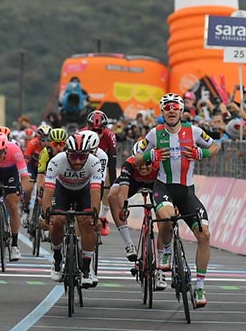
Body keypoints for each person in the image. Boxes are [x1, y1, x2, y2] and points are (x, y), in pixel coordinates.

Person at [140, 92, 221, 308]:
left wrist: (202, 154)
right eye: (167, 107)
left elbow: (215, 146)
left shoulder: (193, 131)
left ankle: (200, 286)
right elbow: (136, 156)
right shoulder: (155, 134)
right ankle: (166, 251)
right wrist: (151, 156)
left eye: (175, 107)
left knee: (204, 235)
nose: (171, 110)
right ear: (162, 111)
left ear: (181, 110)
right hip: (163, 187)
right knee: (167, 219)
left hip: (187, 192)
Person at [41, 131, 104, 287]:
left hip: (84, 191)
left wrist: (95, 216)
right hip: (62, 190)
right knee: (57, 220)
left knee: (88, 222)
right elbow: (48, 191)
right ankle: (57, 257)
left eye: (82, 157)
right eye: (74, 156)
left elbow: (96, 192)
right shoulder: (56, 161)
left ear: (88, 155)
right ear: (67, 153)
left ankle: (87, 268)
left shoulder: (94, 163)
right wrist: (45, 216)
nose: (77, 161)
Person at [106, 137, 160, 262]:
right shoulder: (128, 165)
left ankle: (162, 253)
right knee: (112, 196)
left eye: (147, 163)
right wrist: (123, 208)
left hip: (155, 184)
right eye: (139, 164)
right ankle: (129, 244)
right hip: (133, 183)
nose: (143, 167)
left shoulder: (160, 164)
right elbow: (122, 193)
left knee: (163, 213)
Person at [0, 132, 24, 261]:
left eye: (0, 152)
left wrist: (22, 189)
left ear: (6, 148)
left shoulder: (15, 150)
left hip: (10, 173)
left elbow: (24, 175)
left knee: (12, 205)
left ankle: (14, 245)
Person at [86, 110, 118, 235]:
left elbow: (112, 163)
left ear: (104, 129)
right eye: (93, 131)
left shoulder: (110, 136)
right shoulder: (81, 134)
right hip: (84, 164)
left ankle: (103, 216)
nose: (96, 134)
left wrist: (113, 185)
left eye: (99, 131)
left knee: (108, 179)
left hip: (102, 162)